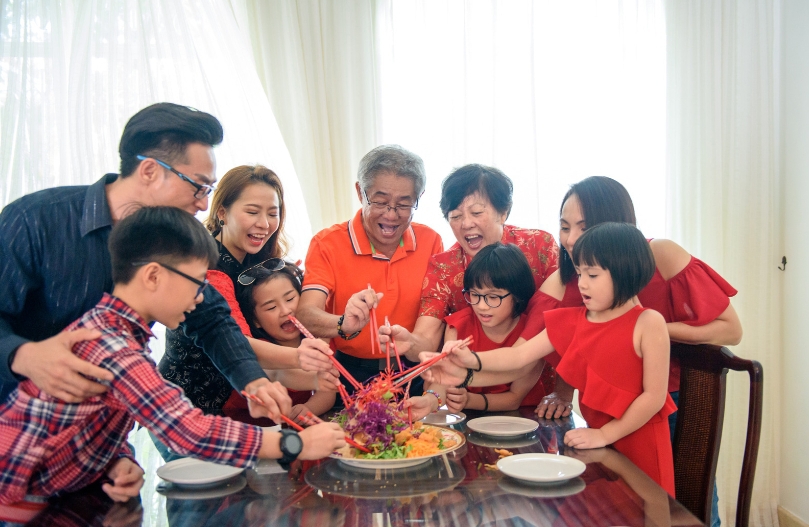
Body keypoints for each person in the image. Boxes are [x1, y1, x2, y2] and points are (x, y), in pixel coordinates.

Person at [0, 207, 345, 522]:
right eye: (196, 283)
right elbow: (188, 429)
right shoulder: (113, 345)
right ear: (152, 276)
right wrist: (294, 444)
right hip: (19, 505)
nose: (200, 297)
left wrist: (119, 460)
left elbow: (91, 415)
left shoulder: (115, 329)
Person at [0, 102, 324, 416]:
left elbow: (211, 318)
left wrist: (252, 380)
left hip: (101, 434)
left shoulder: (174, 239)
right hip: (19, 427)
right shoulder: (35, 220)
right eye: (198, 187)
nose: (202, 204)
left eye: (208, 190)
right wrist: (23, 355)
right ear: (150, 171)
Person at [423, 223, 676, 495]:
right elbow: (518, 356)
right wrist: (468, 360)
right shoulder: (573, 320)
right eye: (579, 273)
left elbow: (653, 397)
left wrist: (605, 435)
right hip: (594, 441)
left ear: (626, 273)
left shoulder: (649, 322)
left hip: (641, 441)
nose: (581, 283)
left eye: (592, 274)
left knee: (648, 512)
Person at [533, 176, 743, 420]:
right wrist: (562, 392)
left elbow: (731, 330)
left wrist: (644, 330)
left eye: (584, 227)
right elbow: (566, 343)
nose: (570, 240)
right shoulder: (570, 278)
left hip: (668, 400)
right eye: (565, 227)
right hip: (606, 403)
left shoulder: (662, 254)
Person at [159, 165, 336, 413]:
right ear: (222, 211)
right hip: (188, 405)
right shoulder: (206, 265)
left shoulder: (258, 258)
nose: (264, 224)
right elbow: (235, 344)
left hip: (237, 400)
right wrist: (303, 359)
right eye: (252, 212)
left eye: (273, 214)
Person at [379, 164, 560, 407]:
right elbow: (429, 335)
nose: (466, 224)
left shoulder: (540, 246)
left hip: (540, 396)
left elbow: (567, 323)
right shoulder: (443, 268)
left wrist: (564, 394)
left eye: (476, 212)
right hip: (466, 396)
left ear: (503, 211)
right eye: (455, 216)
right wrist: (410, 343)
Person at [296, 145, 444, 400]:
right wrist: (344, 324)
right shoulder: (327, 243)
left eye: (404, 204)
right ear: (359, 192)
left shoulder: (431, 242)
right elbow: (305, 314)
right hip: (350, 375)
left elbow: (429, 336)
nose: (391, 215)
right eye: (380, 201)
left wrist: (410, 341)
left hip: (413, 376)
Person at [407, 243, 543, 417]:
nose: (481, 306)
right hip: (469, 418)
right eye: (475, 295)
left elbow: (514, 399)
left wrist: (470, 400)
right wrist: (430, 401)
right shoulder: (458, 326)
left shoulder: (531, 333)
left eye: (493, 297)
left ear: (517, 295)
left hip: (524, 417)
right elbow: (445, 380)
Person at [238, 263, 336, 417]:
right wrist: (316, 378)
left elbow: (328, 391)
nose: (285, 311)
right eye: (271, 308)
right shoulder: (262, 348)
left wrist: (309, 409)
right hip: (250, 421)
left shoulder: (316, 337)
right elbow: (279, 374)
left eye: (290, 299)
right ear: (255, 320)